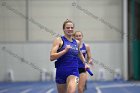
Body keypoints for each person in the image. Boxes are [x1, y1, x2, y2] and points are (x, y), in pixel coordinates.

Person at [50, 19, 89, 93]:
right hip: (61, 71)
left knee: (71, 91)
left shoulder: (76, 42)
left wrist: (85, 63)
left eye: (71, 28)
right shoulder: (59, 40)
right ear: (64, 29)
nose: (70, 29)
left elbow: (79, 53)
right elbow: (52, 57)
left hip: (73, 71)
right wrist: (64, 51)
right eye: (68, 28)